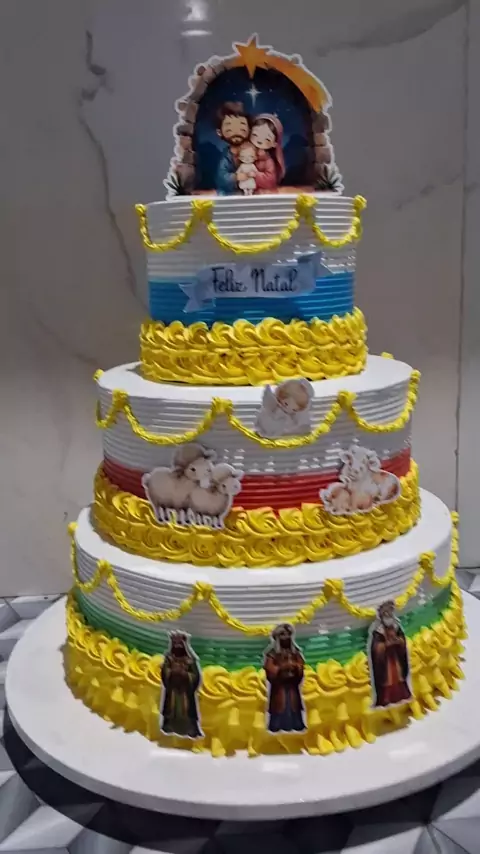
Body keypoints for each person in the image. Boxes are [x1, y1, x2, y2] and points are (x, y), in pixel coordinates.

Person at [368, 601, 412, 708]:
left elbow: (402, 639)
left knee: (399, 675)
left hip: (396, 657)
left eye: (390, 613)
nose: (388, 616)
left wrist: (399, 641)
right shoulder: (378, 631)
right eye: (386, 614)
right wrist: (385, 645)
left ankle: (401, 694)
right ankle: (386, 698)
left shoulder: (396, 627)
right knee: (387, 678)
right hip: (386, 660)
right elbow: (376, 647)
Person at [264, 623, 305, 733]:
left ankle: (296, 724)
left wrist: (296, 667)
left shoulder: (295, 652)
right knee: (279, 705)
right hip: (279, 687)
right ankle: (277, 725)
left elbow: (301, 664)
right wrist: (281, 668)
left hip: (292, 685)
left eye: (288, 634)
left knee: (294, 705)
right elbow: (269, 668)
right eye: (283, 634)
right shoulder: (272, 654)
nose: (286, 637)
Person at [160, 632, 203, 738]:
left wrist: (185, 675)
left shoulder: (190, 660)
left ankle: (190, 729)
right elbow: (164, 673)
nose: (177, 646)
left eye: (180, 644)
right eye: (175, 644)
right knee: (171, 708)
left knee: (187, 709)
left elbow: (195, 676)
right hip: (173, 691)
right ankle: (169, 726)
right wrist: (172, 673)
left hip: (185, 692)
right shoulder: (169, 658)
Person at [215, 102, 251, 194]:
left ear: (249, 129)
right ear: (219, 132)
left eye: (242, 125)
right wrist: (236, 177)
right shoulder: (227, 156)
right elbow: (221, 176)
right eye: (230, 127)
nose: (236, 132)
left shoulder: (254, 151)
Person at [250, 114, 286, 191]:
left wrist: (254, 174)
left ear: (274, 143)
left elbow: (270, 180)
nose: (259, 140)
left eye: (267, 139)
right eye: (255, 135)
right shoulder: (246, 152)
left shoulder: (268, 161)